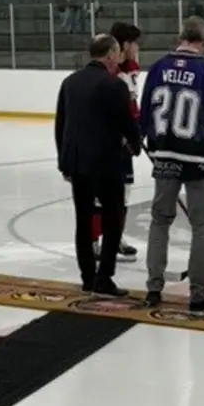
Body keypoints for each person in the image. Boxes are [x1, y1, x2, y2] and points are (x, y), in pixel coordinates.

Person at [139, 16, 204, 311]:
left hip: (165, 156)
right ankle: (198, 293)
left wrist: (156, 148)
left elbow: (145, 114)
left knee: (160, 221)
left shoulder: (158, 68)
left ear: (180, 37)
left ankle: (154, 289)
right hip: (197, 160)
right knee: (201, 225)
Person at [55, 34, 141, 295]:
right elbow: (126, 122)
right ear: (111, 54)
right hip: (105, 163)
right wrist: (135, 145)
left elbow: (61, 125)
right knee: (113, 219)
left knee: (83, 219)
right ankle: (104, 277)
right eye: (117, 53)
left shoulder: (70, 82)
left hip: (77, 162)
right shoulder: (114, 85)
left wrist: (64, 161)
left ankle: (87, 277)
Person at [90, 22, 142, 261]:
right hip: (107, 144)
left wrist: (136, 132)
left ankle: (115, 237)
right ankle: (93, 241)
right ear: (126, 44)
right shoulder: (108, 73)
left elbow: (132, 106)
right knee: (100, 195)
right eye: (135, 43)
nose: (137, 48)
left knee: (125, 192)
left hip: (125, 145)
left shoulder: (131, 70)